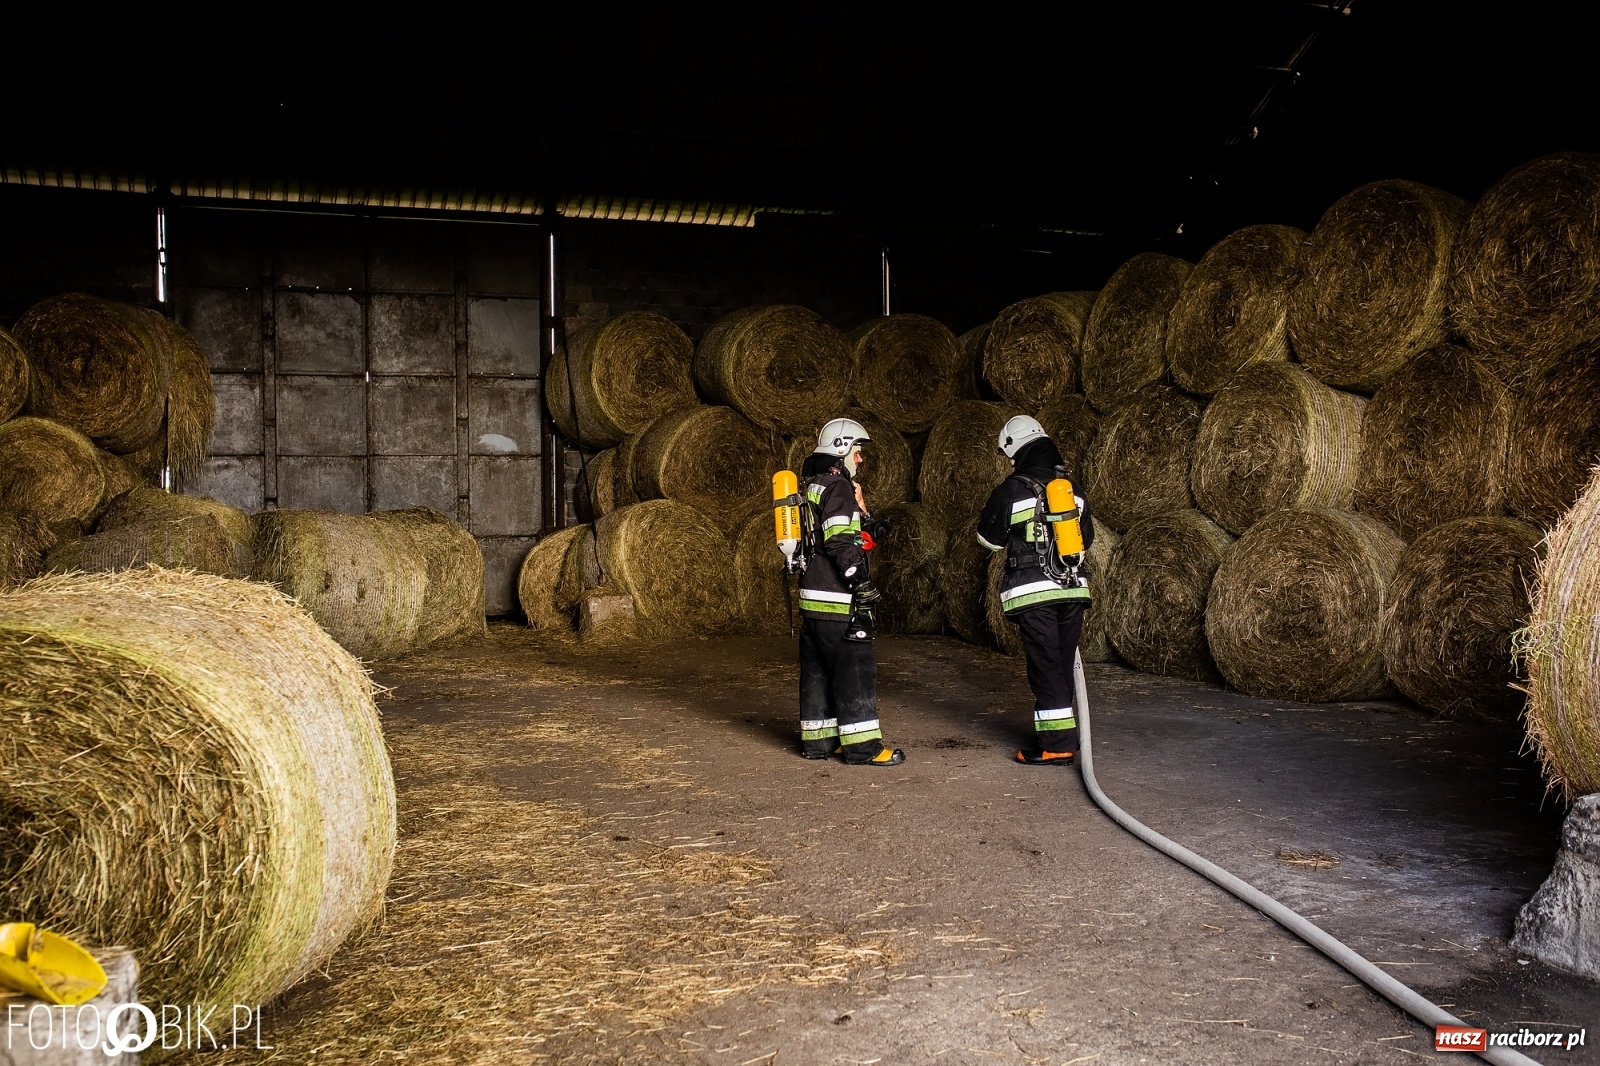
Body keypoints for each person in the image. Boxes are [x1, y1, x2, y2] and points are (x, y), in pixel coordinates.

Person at [977, 415, 1095, 765]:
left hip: (1034, 592)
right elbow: (1086, 539)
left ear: (1016, 450)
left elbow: (988, 539)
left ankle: (1056, 745)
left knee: (1045, 665)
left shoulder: (1013, 489)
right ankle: (1063, 736)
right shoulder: (1072, 487)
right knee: (1061, 663)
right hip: (1072, 589)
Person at [795, 417, 905, 766]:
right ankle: (863, 747)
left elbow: (838, 531)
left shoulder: (812, 485)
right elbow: (841, 540)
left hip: (813, 598)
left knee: (817, 672)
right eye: (857, 451)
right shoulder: (837, 486)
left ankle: (819, 743)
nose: (860, 458)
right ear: (841, 449)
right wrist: (860, 582)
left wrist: (866, 515)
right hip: (838, 598)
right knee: (855, 670)